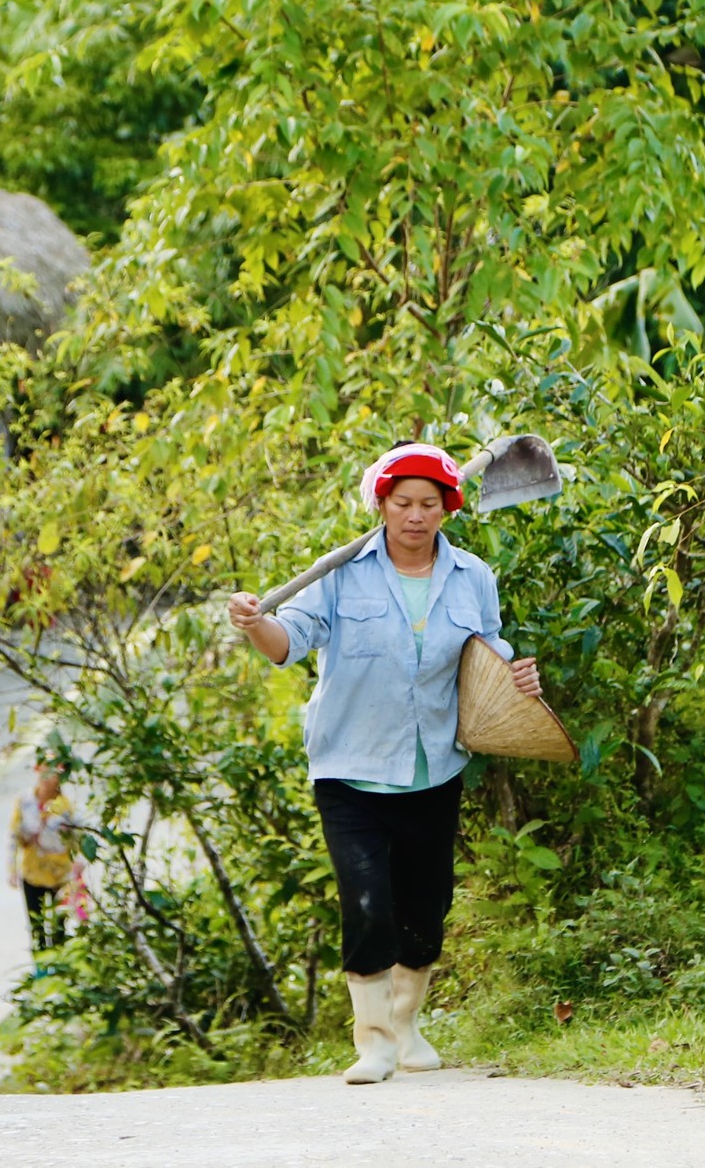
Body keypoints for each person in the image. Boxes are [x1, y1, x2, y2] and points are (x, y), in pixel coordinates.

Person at [227, 442, 542, 1084]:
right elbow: (287, 643)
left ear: (448, 508)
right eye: (403, 503)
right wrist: (254, 623)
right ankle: (371, 1041)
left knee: (426, 910)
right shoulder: (339, 573)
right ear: (382, 504)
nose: (416, 516)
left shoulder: (474, 577)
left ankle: (405, 1024)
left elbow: (487, 654)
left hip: (435, 766)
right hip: (350, 767)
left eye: (430, 503)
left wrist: (517, 677)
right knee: (367, 903)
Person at [7, 765, 78, 952]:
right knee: (36, 927)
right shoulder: (24, 801)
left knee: (59, 928)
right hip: (32, 872)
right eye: (43, 771)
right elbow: (14, 835)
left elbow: (76, 840)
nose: (46, 777)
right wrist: (11, 869)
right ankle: (40, 974)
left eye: (51, 773)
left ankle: (60, 973)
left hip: (60, 875)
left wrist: (78, 872)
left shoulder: (66, 807)